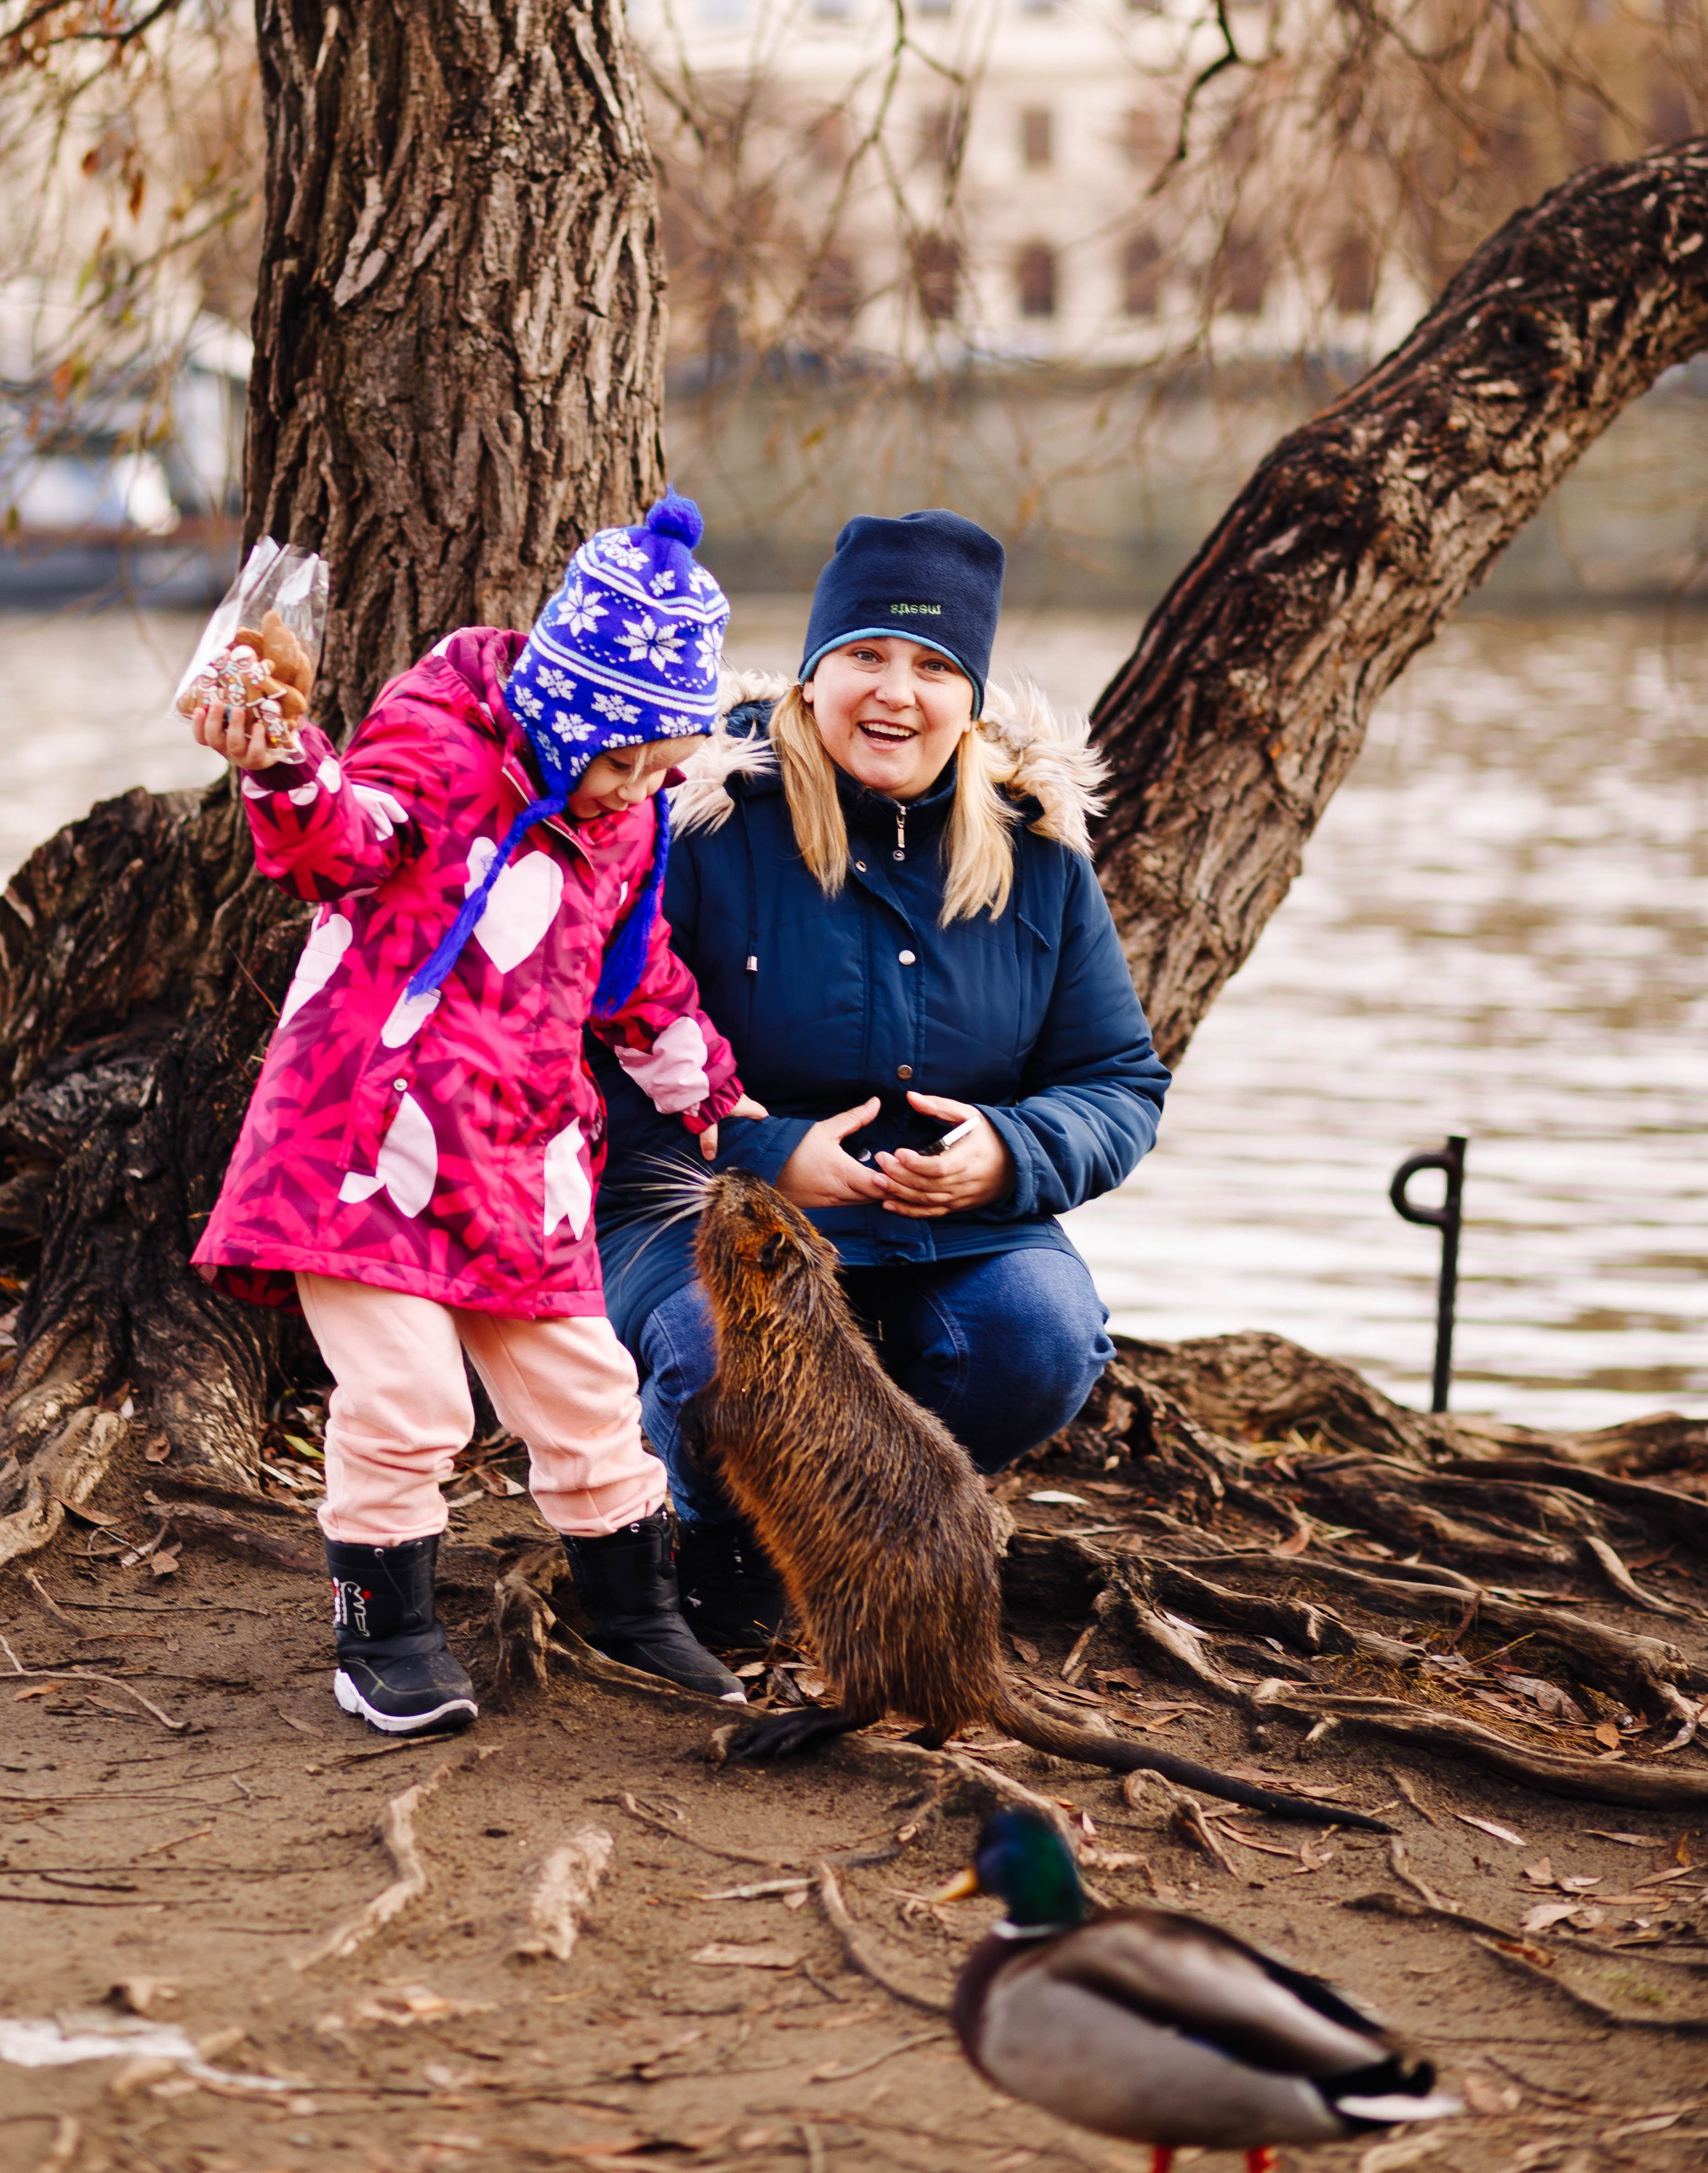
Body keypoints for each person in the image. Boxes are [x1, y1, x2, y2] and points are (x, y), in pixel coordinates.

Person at [193, 493, 767, 1732]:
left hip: (524, 1151)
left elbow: (634, 959)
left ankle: (632, 1602)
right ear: (567, 717)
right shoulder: (438, 753)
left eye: (662, 765)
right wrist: (286, 765)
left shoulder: (627, 816)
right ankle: (383, 1628)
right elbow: (341, 843)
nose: (638, 788)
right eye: (623, 760)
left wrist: (688, 1065)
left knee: (589, 1390)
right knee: (410, 1401)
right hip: (366, 1139)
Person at [592, 507, 1170, 1653]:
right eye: (864, 654)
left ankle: (876, 1551)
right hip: (711, 1214)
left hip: (955, 1233)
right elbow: (594, 1052)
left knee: (1041, 1341)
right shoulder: (696, 829)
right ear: (812, 677)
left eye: (935, 666)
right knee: (718, 1358)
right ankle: (723, 1545)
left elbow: (1119, 1080)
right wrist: (769, 1158)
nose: (896, 692)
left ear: (973, 699)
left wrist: (1012, 1154)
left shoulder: (1038, 857)